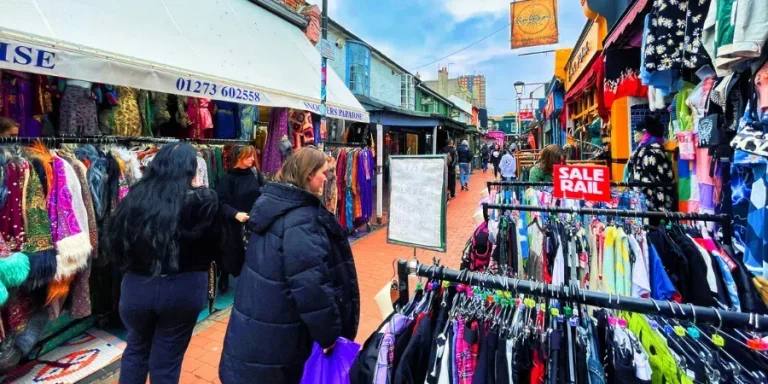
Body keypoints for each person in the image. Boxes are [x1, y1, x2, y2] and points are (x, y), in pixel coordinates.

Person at [219, 147, 360, 384]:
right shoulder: (301, 219)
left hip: (258, 322)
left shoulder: (271, 203)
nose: (326, 178)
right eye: (323, 173)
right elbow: (311, 286)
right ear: (308, 175)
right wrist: (328, 335)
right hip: (281, 334)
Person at [106, 143, 233, 384]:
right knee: (167, 359)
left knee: (136, 349)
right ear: (190, 169)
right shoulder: (204, 201)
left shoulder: (134, 198)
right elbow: (219, 246)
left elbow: (115, 244)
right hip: (184, 289)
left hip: (137, 287)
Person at [214, 145, 265, 291]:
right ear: (238, 158)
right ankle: (225, 276)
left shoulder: (254, 174)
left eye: (252, 156)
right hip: (233, 224)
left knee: (252, 253)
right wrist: (235, 214)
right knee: (231, 252)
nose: (252, 160)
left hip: (253, 221)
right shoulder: (228, 179)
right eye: (248, 157)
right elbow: (220, 202)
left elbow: (263, 191)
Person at [626, 116, 675, 213]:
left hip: (654, 206)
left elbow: (649, 180)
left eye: (636, 132)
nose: (634, 135)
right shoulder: (646, 151)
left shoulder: (652, 153)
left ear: (645, 133)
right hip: (645, 204)